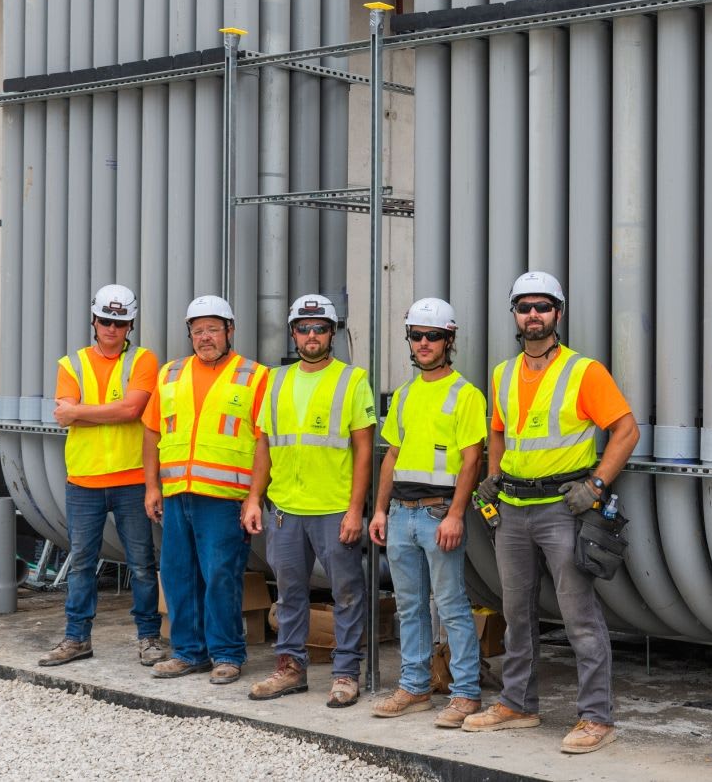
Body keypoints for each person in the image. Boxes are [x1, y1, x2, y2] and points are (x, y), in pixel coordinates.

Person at [464, 271, 640, 755]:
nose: (533, 315)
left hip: (563, 509)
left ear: (558, 313)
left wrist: (597, 485)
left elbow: (625, 430)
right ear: (516, 315)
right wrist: (493, 480)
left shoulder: (585, 372)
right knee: (516, 612)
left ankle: (596, 717)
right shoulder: (502, 374)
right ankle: (518, 704)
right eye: (524, 307)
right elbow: (497, 432)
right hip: (513, 511)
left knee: (579, 614)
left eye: (543, 306)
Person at [243, 294, 376, 708]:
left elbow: (364, 450)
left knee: (347, 592)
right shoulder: (276, 380)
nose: (312, 335)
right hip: (285, 508)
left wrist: (356, 509)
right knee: (289, 594)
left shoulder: (352, 380)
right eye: (304, 328)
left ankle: (346, 673)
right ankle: (290, 668)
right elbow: (264, 445)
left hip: (334, 508)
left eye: (320, 328)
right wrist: (253, 499)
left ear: (331, 333)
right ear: (293, 333)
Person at [366, 297, 487, 726]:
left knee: (451, 605)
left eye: (433, 336)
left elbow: (472, 460)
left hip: (439, 514)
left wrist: (456, 515)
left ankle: (466, 694)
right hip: (400, 512)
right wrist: (379, 511)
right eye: (416, 335)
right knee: (409, 606)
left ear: (449, 340)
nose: (423, 343)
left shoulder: (466, 395)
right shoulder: (404, 394)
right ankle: (415, 688)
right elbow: (391, 456)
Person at [142, 294, 269, 685]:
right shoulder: (170, 374)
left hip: (224, 498)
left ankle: (227, 654)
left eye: (213, 329)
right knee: (179, 575)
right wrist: (152, 487)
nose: (205, 337)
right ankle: (188, 652)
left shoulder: (254, 376)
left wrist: (254, 497)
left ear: (230, 330)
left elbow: (264, 441)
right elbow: (152, 431)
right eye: (198, 331)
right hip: (178, 493)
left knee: (221, 577)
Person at [38, 284, 166, 668]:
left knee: (142, 564)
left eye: (121, 322)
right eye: (106, 320)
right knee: (81, 563)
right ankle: (77, 639)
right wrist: (106, 409)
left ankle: (148, 639)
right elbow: (69, 413)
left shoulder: (144, 360)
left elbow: (132, 410)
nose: (112, 328)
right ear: (94, 320)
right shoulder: (70, 363)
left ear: (130, 325)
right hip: (85, 480)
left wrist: (81, 412)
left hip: (131, 480)